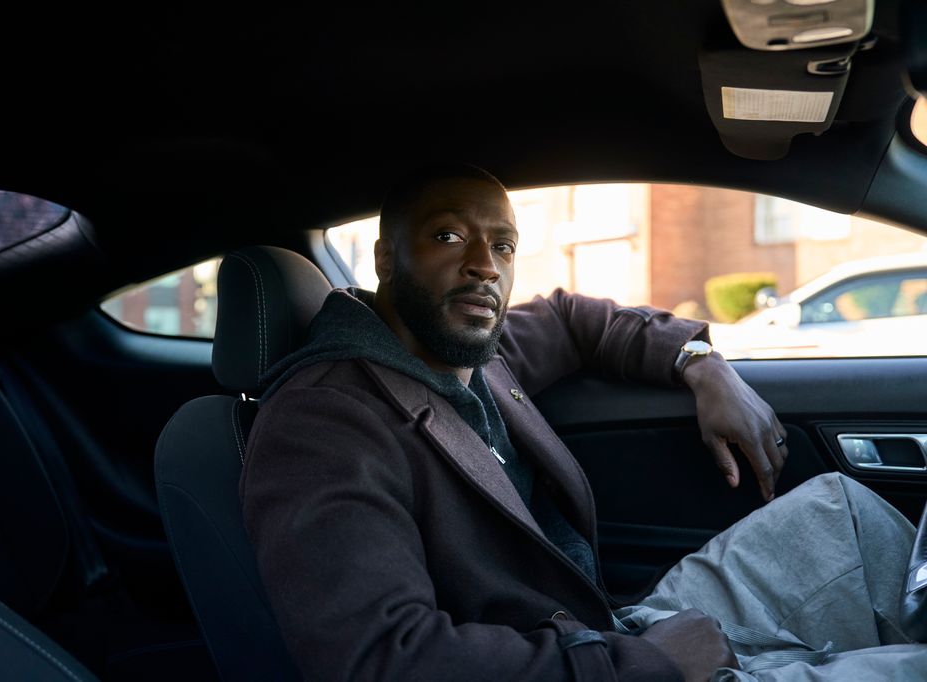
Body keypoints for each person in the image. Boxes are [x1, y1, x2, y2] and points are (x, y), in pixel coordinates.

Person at [240, 163, 924, 681]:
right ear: (387, 260)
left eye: (503, 246)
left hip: (609, 624)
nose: (485, 265)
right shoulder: (322, 423)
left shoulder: (468, 350)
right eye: (449, 236)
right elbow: (384, 659)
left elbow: (574, 318)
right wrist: (642, 665)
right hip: (584, 662)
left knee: (847, 515)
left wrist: (702, 362)